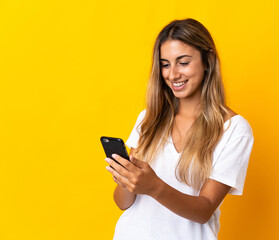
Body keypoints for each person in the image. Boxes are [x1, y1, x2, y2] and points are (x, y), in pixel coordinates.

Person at [105, 18, 254, 240]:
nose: (172, 74)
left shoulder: (234, 130)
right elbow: (122, 203)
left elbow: (204, 210)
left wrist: (153, 186)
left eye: (183, 63)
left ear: (207, 61)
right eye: (165, 64)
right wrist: (128, 180)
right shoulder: (149, 118)